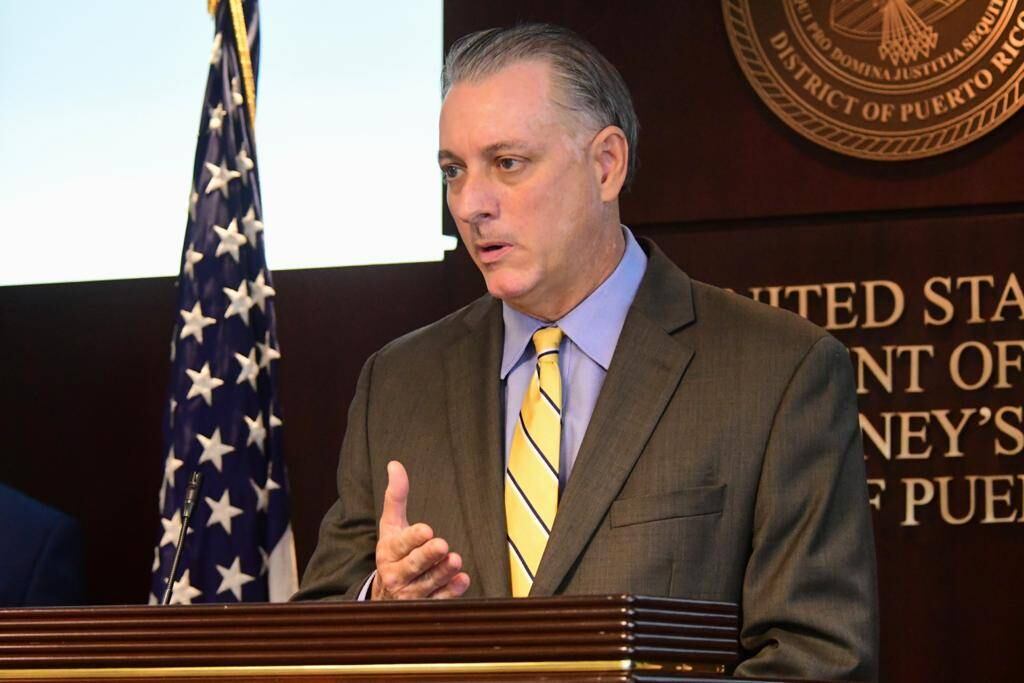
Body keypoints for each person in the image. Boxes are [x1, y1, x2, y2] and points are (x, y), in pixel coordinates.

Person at [296, 23, 878, 680]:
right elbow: (310, 635)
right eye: (453, 171)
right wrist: (379, 603)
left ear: (606, 165)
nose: (470, 204)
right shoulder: (398, 381)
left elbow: (821, 659)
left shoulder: (779, 371)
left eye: (507, 163)